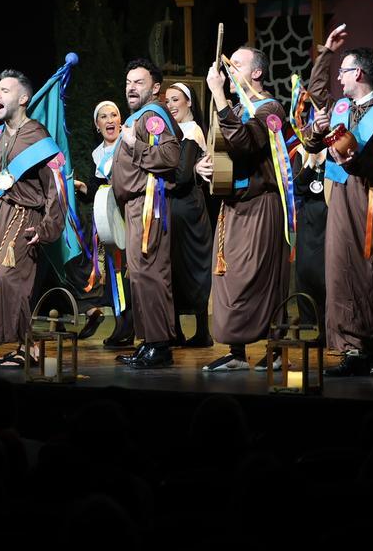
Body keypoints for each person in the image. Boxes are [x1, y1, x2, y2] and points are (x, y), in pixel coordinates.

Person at [301, 28, 373, 377]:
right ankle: (352, 347)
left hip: (371, 196)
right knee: (341, 272)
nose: (339, 78)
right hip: (341, 197)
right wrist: (327, 53)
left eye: (342, 70)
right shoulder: (341, 107)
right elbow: (315, 96)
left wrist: (357, 158)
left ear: (358, 73)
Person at [196, 47, 291, 372]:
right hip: (232, 206)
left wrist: (219, 95)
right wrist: (206, 166)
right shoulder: (235, 108)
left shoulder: (270, 108)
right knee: (228, 279)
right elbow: (224, 152)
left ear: (256, 73)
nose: (228, 71)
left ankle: (276, 349)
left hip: (260, 206)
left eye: (236, 65)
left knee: (260, 277)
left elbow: (244, 143)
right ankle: (236, 352)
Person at [0, 69, 66, 366]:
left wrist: (48, 226)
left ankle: (29, 347)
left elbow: (55, 186)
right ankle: (17, 342)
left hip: (24, 217)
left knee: (12, 280)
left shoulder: (36, 135)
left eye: (5, 90)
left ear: (24, 98)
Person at [110, 59, 180, 369]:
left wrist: (132, 144)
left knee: (149, 273)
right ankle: (149, 341)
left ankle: (160, 346)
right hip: (136, 206)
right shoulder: (139, 116)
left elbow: (170, 156)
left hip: (148, 203)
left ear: (155, 88)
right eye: (128, 82)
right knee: (139, 274)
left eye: (139, 82)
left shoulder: (153, 116)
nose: (131, 87)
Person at [73, 99, 133, 347]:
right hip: (110, 218)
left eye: (114, 115)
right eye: (104, 117)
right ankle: (122, 325)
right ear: (97, 126)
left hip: (131, 211)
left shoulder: (128, 143)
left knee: (130, 272)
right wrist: (80, 187)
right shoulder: (98, 153)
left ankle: (132, 325)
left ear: (121, 120)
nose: (110, 120)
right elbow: (98, 188)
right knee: (114, 272)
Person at [163, 82, 213, 348]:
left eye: (176, 99)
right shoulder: (174, 131)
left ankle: (202, 331)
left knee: (191, 265)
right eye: (167, 101)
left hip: (187, 206)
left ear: (189, 102)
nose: (171, 105)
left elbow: (182, 176)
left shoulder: (191, 131)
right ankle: (177, 331)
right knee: (174, 265)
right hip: (176, 204)